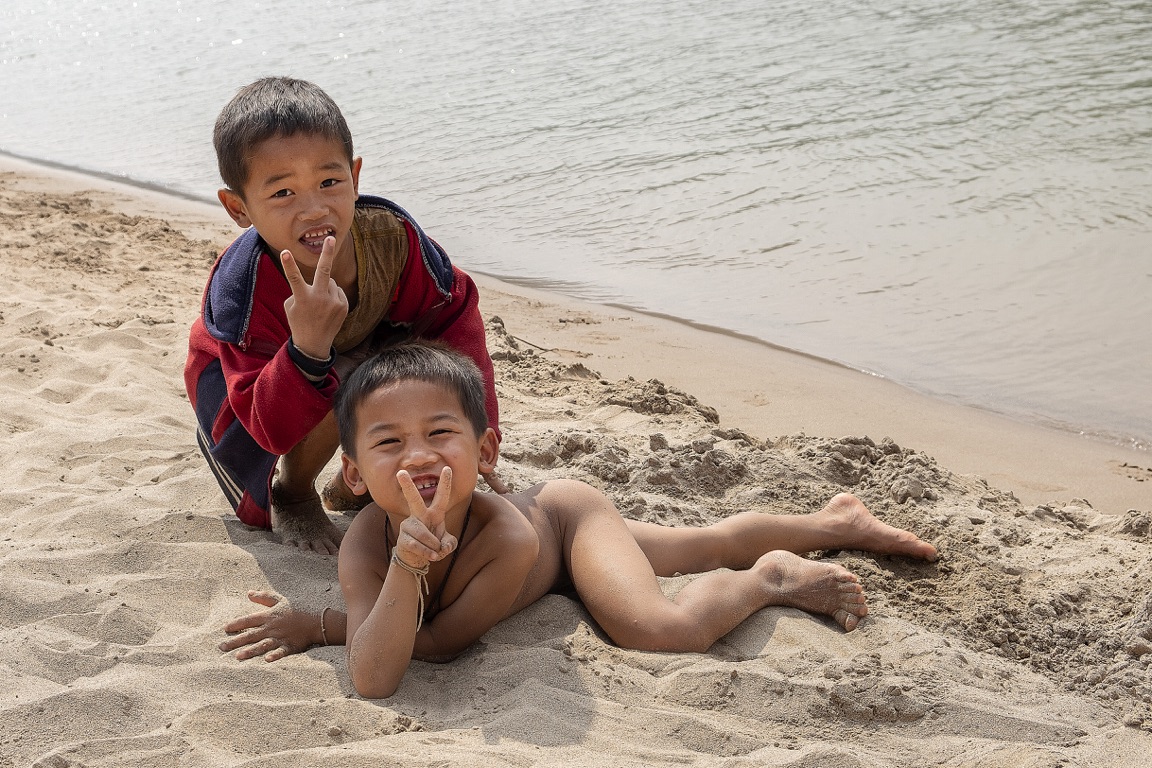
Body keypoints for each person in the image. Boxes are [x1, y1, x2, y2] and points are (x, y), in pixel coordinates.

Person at [332, 342, 939, 699]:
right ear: (354, 474)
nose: (418, 456)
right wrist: (361, 600)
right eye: (388, 442)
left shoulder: (506, 538)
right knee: (701, 543)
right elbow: (374, 674)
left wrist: (337, 619)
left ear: (486, 452)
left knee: (661, 623)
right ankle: (836, 523)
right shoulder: (363, 540)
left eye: (441, 433)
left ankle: (769, 579)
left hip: (565, 523)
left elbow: (431, 645)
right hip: (548, 551)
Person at [184, 76, 502, 558]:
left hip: (364, 343)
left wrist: (476, 433)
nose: (314, 208)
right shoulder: (245, 291)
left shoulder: (392, 241)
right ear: (238, 208)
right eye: (282, 193)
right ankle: (295, 492)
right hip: (246, 389)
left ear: (355, 177)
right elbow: (270, 427)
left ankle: (351, 486)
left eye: (329, 182)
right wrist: (307, 347)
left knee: (413, 368)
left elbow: (454, 316)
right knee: (345, 374)